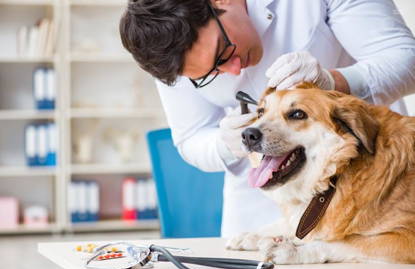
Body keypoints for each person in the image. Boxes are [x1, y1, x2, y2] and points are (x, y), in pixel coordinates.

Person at [120, 0, 415, 237]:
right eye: (210, 74)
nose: (234, 70)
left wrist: (332, 82)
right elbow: (191, 139)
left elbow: (406, 58)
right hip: (263, 205)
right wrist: (226, 143)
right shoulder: (168, 55)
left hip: (374, 181)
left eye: (224, 52)